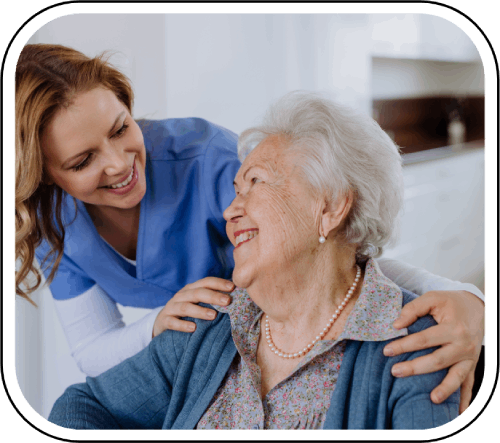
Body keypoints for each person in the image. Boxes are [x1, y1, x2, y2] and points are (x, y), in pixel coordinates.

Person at [14, 45, 485, 416]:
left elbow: (335, 247)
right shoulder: (54, 220)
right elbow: (92, 356)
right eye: (82, 161)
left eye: (121, 129)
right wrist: (157, 327)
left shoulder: (208, 162)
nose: (119, 164)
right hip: (204, 345)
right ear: (43, 176)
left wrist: (465, 298)